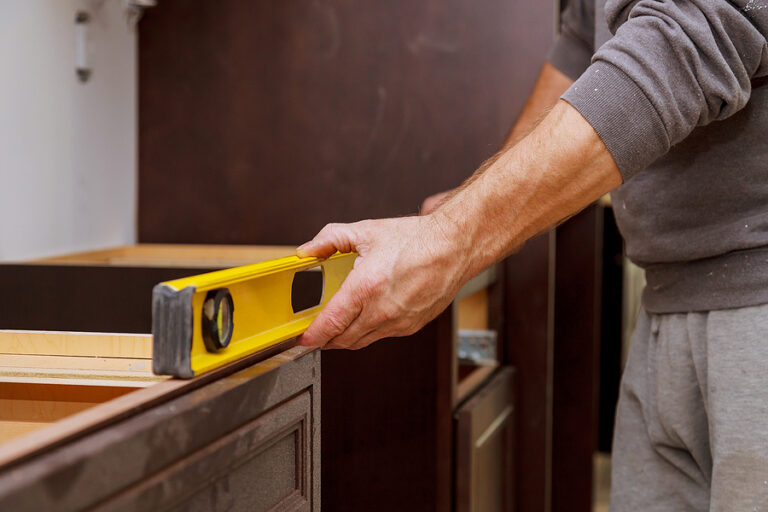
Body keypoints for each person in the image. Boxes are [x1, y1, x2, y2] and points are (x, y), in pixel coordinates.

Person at [296, 0, 768, 508]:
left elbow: (686, 38)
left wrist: (451, 241)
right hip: (665, 307)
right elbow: (585, 43)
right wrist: (458, 211)